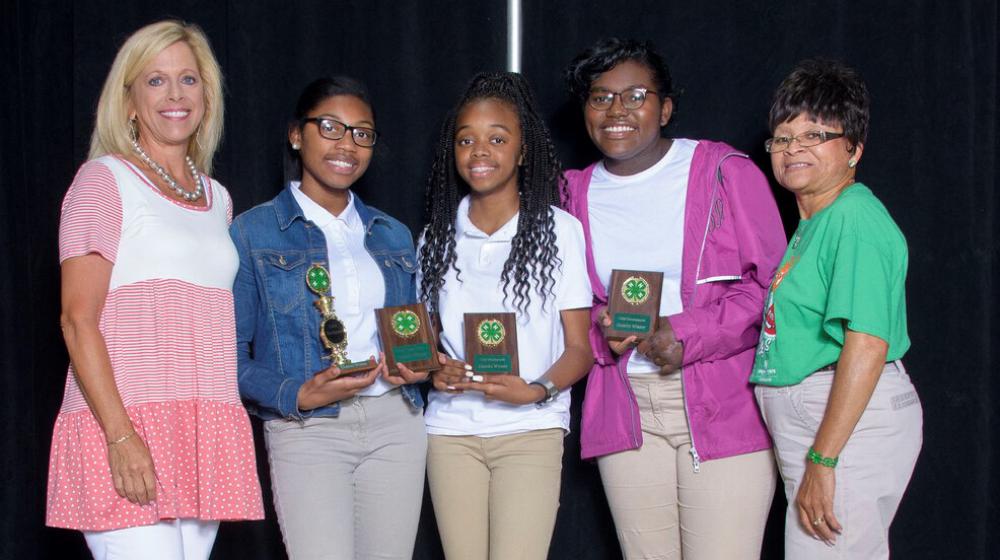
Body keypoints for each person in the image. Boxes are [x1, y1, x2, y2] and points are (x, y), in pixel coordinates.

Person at [561, 38, 785, 559]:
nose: (617, 110)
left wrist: (685, 334)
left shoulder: (723, 171)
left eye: (635, 95)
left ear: (664, 107)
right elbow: (566, 304)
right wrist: (602, 327)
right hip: (625, 409)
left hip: (723, 406)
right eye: (600, 97)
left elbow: (774, 290)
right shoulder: (571, 192)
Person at [47, 20, 263, 560]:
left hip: (200, 436)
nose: (174, 95)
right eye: (156, 81)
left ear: (206, 96)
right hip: (125, 431)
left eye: (188, 80)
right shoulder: (103, 181)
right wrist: (121, 438)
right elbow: (77, 321)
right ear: (129, 100)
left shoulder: (217, 198)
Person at [230, 76, 428, 560]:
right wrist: (295, 393)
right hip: (308, 428)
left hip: (395, 422)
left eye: (362, 133)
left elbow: (412, 332)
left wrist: (423, 366)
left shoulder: (393, 234)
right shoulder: (252, 231)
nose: (348, 144)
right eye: (332, 128)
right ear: (297, 135)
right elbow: (228, 356)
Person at [417, 72, 594, 560]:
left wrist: (536, 390)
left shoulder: (560, 232)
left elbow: (581, 349)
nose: (479, 151)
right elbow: (424, 346)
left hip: (530, 429)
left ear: (521, 151)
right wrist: (437, 369)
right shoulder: (434, 238)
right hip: (450, 433)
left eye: (497, 139)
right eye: (466, 140)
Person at [751, 59, 923, 559]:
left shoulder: (855, 217)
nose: (793, 148)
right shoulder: (815, 223)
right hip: (822, 422)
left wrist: (823, 460)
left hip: (847, 426)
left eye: (814, 134)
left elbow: (868, 343)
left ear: (854, 150)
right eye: (782, 139)